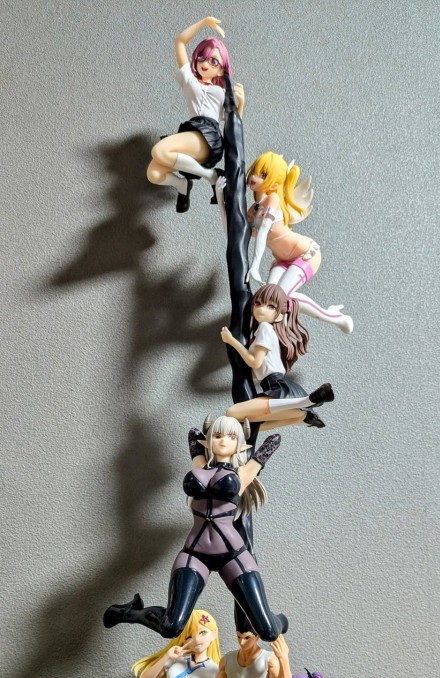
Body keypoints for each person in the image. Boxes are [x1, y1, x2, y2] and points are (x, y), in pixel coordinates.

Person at [103, 416, 287, 643]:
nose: (223, 441)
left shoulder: (242, 474)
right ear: (208, 442)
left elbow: (270, 445)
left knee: (268, 631)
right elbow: (192, 436)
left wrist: (267, 444)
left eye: (231, 437)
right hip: (195, 554)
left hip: (234, 555)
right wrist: (200, 440)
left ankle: (281, 620)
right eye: (217, 436)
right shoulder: (200, 467)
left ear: (240, 445)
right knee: (171, 627)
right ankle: (131, 612)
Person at [245, 152, 352, 333]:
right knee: (269, 299)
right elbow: (237, 232)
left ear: (275, 183)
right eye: (254, 171)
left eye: (262, 174)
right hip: (282, 260)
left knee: (279, 297)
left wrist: (255, 265)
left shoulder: (272, 200)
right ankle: (273, 335)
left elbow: (262, 232)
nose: (254, 177)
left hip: (306, 254)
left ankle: (336, 317)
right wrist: (221, 199)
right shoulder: (254, 209)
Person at [146, 17, 244, 212]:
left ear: (221, 69)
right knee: (154, 173)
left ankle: (211, 176)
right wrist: (204, 22)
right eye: (202, 57)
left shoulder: (222, 91)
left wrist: (241, 104)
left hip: (209, 137)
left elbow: (232, 124)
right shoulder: (189, 80)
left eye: (213, 61)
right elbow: (180, 41)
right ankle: (183, 185)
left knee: (159, 151)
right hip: (192, 131)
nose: (206, 64)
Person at [220, 284, 334, 430]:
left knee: (232, 413)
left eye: (271, 306)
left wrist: (231, 341)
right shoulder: (264, 332)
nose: (261, 309)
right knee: (256, 427)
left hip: (277, 388)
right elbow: (258, 369)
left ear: (279, 315)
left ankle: (306, 402)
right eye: (258, 303)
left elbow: (255, 362)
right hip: (278, 389)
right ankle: (304, 416)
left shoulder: (265, 328)